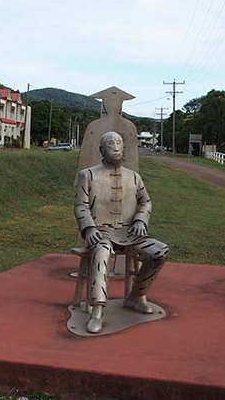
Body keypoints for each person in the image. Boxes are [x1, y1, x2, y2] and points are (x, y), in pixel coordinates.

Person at [74, 131, 169, 334]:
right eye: (110, 143)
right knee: (102, 253)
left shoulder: (134, 177)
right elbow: (80, 206)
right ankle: (97, 311)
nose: (116, 147)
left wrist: (140, 219)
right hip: (101, 232)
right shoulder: (88, 175)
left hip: (130, 233)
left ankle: (136, 296)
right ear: (102, 149)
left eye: (119, 143)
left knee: (160, 251)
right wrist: (89, 227)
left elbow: (146, 201)